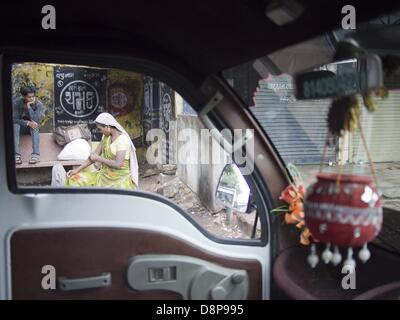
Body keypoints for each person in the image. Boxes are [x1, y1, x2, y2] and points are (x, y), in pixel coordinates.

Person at [52, 112, 139, 190]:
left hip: (118, 180)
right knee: (75, 179)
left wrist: (99, 159)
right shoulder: (106, 137)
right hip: (104, 176)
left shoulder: (122, 140)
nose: (100, 131)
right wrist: (77, 170)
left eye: (100, 129)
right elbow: (93, 157)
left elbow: (118, 163)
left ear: (108, 126)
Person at [13, 85, 43, 164]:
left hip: (31, 129)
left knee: (35, 125)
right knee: (15, 126)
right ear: (23, 96)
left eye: (33, 96)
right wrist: (27, 123)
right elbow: (14, 119)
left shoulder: (38, 104)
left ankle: (36, 155)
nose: (32, 99)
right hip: (20, 128)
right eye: (29, 97)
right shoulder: (16, 103)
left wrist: (29, 107)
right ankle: (16, 156)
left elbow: (36, 120)